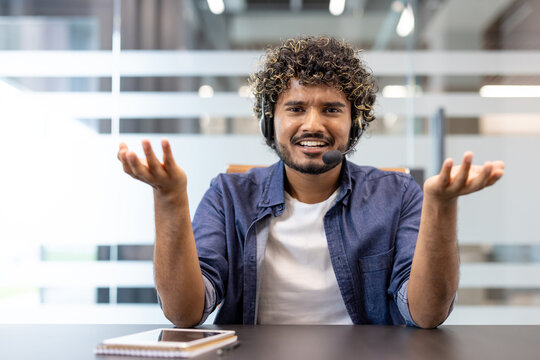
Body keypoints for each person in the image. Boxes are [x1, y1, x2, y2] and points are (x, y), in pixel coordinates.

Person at [117, 36, 504, 329]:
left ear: (355, 123)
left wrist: (441, 207)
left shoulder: (398, 195)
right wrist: (169, 200)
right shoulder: (228, 195)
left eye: (332, 110)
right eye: (296, 109)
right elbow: (185, 314)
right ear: (272, 122)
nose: (313, 125)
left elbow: (426, 314)